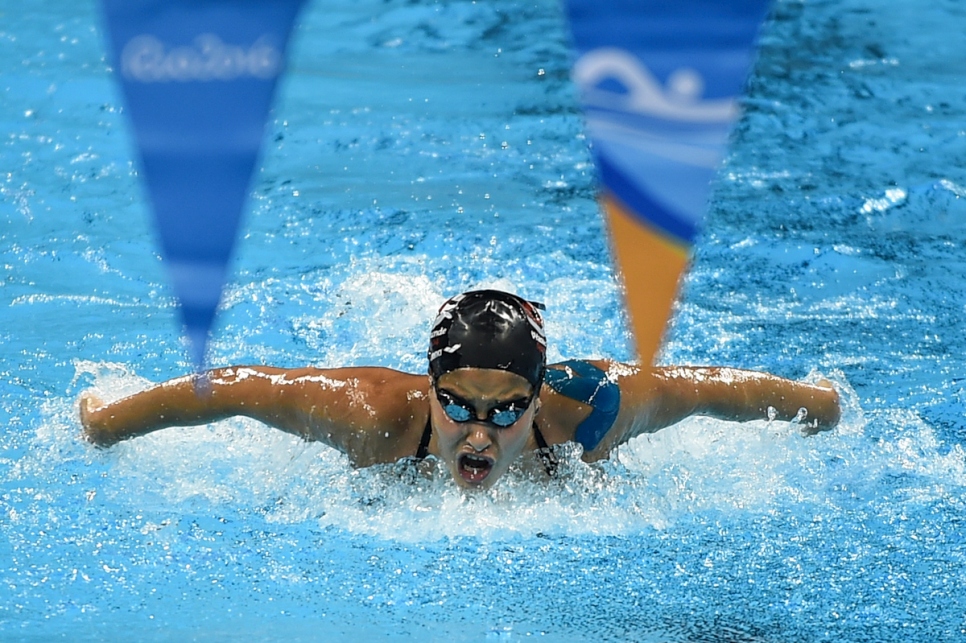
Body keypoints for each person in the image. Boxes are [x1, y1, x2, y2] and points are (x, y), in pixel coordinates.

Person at [79, 289, 841, 489]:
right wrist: (107, 421)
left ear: (538, 398)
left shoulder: (589, 415)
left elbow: (704, 388)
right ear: (433, 387)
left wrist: (818, 404)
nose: (479, 431)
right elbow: (243, 386)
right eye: (459, 404)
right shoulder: (378, 418)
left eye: (508, 407)